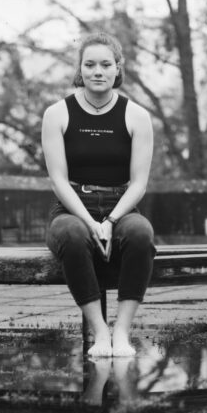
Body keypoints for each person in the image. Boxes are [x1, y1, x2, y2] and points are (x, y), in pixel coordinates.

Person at [43, 32, 156, 358]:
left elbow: (139, 183)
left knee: (140, 232)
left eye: (106, 64)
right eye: (89, 64)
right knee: (74, 233)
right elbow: (59, 180)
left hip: (121, 206)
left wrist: (111, 220)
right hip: (71, 207)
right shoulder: (57, 114)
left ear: (117, 68)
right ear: (80, 69)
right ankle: (100, 333)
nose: (97, 71)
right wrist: (90, 222)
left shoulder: (137, 116)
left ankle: (121, 332)